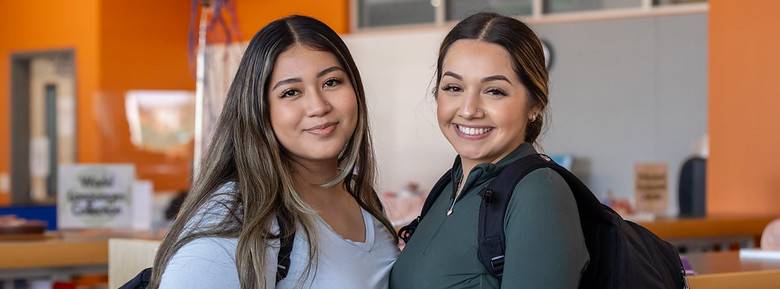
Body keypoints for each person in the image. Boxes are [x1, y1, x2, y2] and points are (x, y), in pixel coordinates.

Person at [149, 15, 399, 289]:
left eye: (331, 82)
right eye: (291, 92)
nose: (318, 106)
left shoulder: (362, 198)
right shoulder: (238, 213)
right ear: (260, 109)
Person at [390, 12, 589, 288]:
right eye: (454, 87)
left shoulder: (538, 193)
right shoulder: (448, 187)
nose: (469, 110)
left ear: (535, 104)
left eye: (494, 91)